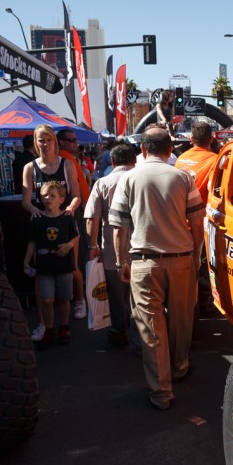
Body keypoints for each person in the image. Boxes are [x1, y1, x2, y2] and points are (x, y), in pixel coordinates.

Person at [110, 126, 205, 410]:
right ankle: (179, 366)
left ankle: (161, 392)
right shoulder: (184, 177)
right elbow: (198, 223)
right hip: (181, 260)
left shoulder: (128, 178)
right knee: (181, 319)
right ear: (169, 150)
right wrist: (196, 256)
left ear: (142, 149)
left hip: (143, 262)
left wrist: (120, 261)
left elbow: (119, 228)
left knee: (151, 329)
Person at [21, 125, 83, 340]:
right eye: (40, 140)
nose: (45, 144)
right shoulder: (30, 167)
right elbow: (26, 200)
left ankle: (77, 304)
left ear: (54, 142)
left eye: (48, 140)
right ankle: (44, 324)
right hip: (41, 224)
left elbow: (77, 195)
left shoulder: (67, 165)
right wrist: (35, 210)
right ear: (35, 143)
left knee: (70, 266)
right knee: (43, 275)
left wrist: (69, 209)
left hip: (64, 222)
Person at [84, 143, 139, 349]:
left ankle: (120, 331)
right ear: (134, 160)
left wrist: (92, 245)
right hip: (142, 247)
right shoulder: (142, 180)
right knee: (141, 296)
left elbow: (92, 217)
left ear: (112, 161)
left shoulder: (102, 182)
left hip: (112, 249)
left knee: (117, 296)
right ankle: (141, 336)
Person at [23, 181, 78, 350]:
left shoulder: (67, 217)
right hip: (45, 264)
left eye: (52, 196)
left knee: (63, 298)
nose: (48, 199)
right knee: (47, 299)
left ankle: (63, 327)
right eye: (45, 195)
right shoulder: (37, 219)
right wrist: (26, 261)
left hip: (63, 264)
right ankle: (49, 329)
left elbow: (76, 236)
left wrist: (68, 246)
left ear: (61, 199)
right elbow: (32, 241)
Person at [175, 121, 221, 316]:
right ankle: (201, 308)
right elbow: (214, 192)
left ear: (191, 139)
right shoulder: (215, 161)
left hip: (178, 224)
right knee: (201, 269)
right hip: (200, 224)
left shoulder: (180, 160)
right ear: (212, 139)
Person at [56, 127, 91, 320]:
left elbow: (80, 186)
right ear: (61, 142)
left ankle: (77, 298)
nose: (75, 143)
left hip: (75, 210)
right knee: (75, 259)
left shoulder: (68, 159)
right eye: (71, 140)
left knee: (75, 259)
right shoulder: (65, 160)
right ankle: (77, 298)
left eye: (75, 140)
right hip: (72, 212)